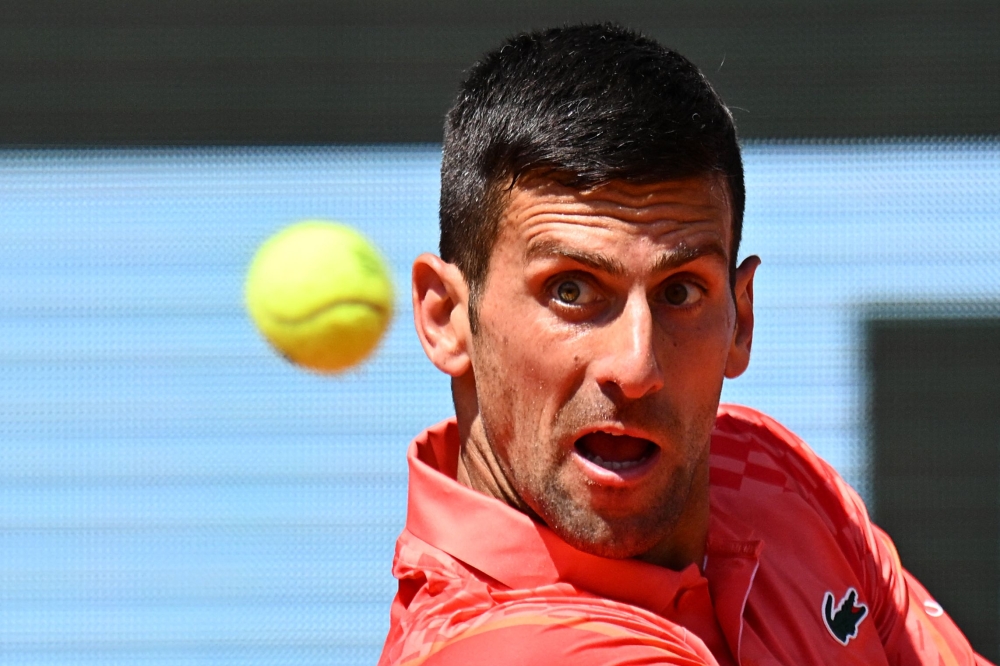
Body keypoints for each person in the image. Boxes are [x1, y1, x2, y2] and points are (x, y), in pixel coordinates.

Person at [378, 23, 990, 665]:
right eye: (571, 291)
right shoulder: (503, 652)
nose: (636, 366)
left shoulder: (766, 471)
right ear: (447, 317)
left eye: (679, 293)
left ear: (740, 320)